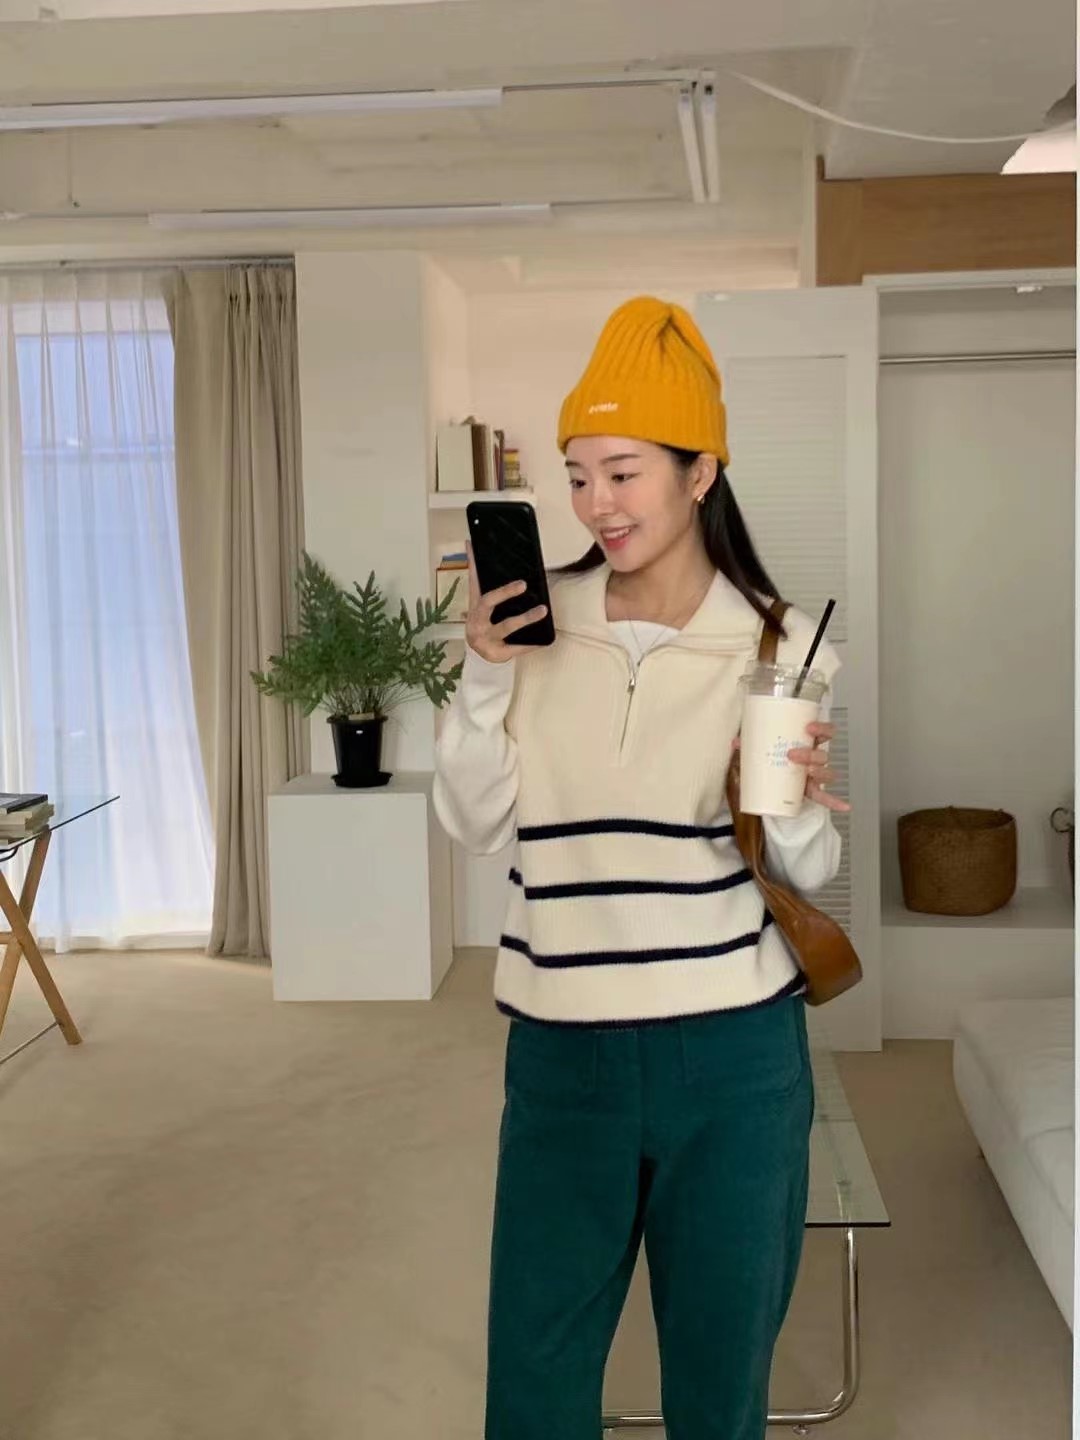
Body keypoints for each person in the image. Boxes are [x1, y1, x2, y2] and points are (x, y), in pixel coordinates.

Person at [433, 296, 849, 1440]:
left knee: (719, 1385)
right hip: (562, 1047)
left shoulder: (783, 640)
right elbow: (477, 824)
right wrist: (482, 672)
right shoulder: (535, 622)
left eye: (623, 473)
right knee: (534, 1378)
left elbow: (806, 868)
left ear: (700, 471)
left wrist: (794, 798)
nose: (596, 504)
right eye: (578, 476)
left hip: (735, 1052)